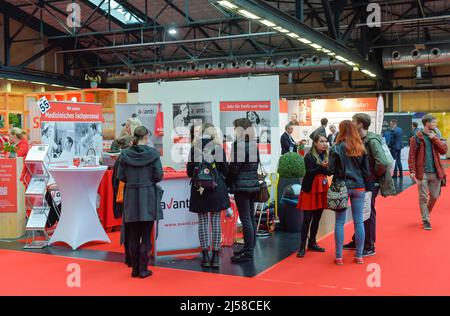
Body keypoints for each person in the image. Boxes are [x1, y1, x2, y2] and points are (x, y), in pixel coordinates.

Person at [343, 114, 395, 256]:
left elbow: (383, 162)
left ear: (360, 124)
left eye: (353, 121)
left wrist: (372, 176)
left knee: (367, 212)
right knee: (361, 212)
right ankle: (358, 240)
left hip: (370, 182)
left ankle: (369, 245)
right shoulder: (361, 139)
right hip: (364, 181)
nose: (351, 123)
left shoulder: (371, 141)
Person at [117, 126, 163, 278]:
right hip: (148, 195)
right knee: (145, 234)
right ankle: (143, 269)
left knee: (133, 235)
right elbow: (159, 175)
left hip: (131, 195)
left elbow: (121, 176)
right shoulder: (153, 155)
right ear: (146, 137)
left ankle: (135, 269)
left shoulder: (124, 155)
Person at [187, 123, 230, 269]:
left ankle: (205, 257)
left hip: (199, 190)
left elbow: (189, 172)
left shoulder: (194, 149)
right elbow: (225, 169)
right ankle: (216, 257)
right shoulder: (218, 148)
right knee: (216, 221)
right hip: (216, 189)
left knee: (203, 222)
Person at [328, 120, 370, 265]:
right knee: (359, 221)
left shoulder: (336, 148)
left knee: (339, 222)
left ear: (341, 130)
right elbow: (366, 172)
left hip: (341, 187)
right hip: (359, 186)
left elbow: (330, 170)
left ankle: (339, 257)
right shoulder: (361, 148)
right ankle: (359, 256)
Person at [227, 118, 260, 263]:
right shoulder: (253, 144)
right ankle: (250, 248)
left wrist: (228, 180)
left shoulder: (239, 145)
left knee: (246, 218)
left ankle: (248, 252)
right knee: (250, 218)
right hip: (252, 185)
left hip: (241, 185)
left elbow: (234, 168)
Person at [408, 114, 447, 231]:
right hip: (422, 173)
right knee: (423, 197)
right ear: (427, 124)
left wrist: (434, 139)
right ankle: (426, 220)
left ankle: (426, 213)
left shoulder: (436, 134)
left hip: (436, 172)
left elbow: (444, 150)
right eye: (434, 122)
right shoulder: (416, 138)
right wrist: (412, 170)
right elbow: (412, 156)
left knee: (435, 196)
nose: (436, 125)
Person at [296, 133, 329, 258]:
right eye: (321, 141)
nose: (324, 144)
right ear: (315, 143)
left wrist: (328, 167)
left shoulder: (326, 155)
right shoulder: (309, 156)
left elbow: (327, 172)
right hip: (310, 189)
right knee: (307, 219)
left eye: (325, 141)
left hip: (321, 189)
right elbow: (309, 173)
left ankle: (312, 243)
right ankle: (302, 246)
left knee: (317, 218)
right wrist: (321, 166)